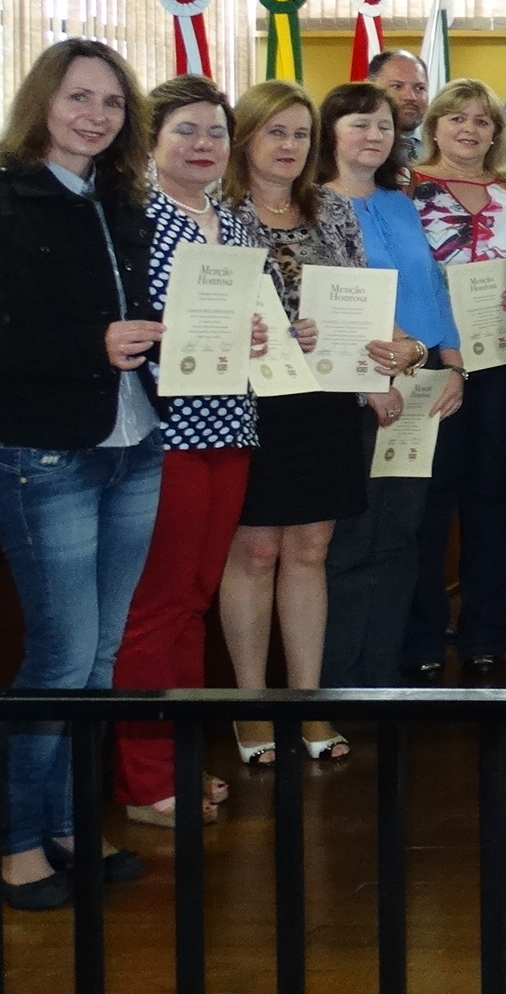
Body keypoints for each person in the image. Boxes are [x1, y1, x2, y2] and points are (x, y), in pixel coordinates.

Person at [0, 40, 164, 909]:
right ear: (42, 102)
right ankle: (17, 843)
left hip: (135, 447)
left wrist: (211, 333)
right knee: (61, 657)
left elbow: (143, 318)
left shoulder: (124, 203)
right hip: (44, 457)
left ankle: (70, 823)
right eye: (78, 97)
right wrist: (90, 345)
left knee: (100, 657)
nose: (95, 115)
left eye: (112, 102)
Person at [111, 77, 260, 829]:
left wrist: (266, 332)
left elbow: (250, 315)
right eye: (186, 131)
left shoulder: (234, 221)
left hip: (230, 422)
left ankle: (180, 756)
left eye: (216, 133)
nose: (204, 145)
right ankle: (145, 783)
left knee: (195, 600)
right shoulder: (134, 219)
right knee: (156, 605)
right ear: (153, 139)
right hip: (164, 430)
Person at [222, 81, 366, 764]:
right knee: (255, 553)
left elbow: (357, 295)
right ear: (245, 137)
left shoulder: (333, 209)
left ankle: (309, 704)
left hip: (325, 400)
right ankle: (250, 708)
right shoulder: (218, 212)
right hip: (250, 401)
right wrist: (271, 328)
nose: (289, 145)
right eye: (275, 131)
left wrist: (369, 356)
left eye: (301, 134)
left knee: (311, 548)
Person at [315, 83, 466, 690]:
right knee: (353, 539)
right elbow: (334, 300)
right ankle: (339, 681)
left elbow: (433, 288)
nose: (375, 135)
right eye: (359, 123)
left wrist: (452, 365)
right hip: (359, 388)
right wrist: (386, 367)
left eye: (383, 125)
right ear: (330, 132)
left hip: (422, 383)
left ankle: (382, 676)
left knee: (403, 536)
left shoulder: (401, 204)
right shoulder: (315, 205)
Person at [406, 79, 506, 677]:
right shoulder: (405, 189)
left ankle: (484, 632)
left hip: (505, 363)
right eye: (457, 118)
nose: (470, 129)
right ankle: (424, 637)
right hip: (430, 360)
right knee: (430, 502)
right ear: (434, 126)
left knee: (490, 499)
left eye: (482, 120)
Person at [368, 48, 431, 165]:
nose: (410, 97)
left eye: (419, 88)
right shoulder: (355, 147)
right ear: (371, 89)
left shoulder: (443, 148)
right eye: (397, 86)